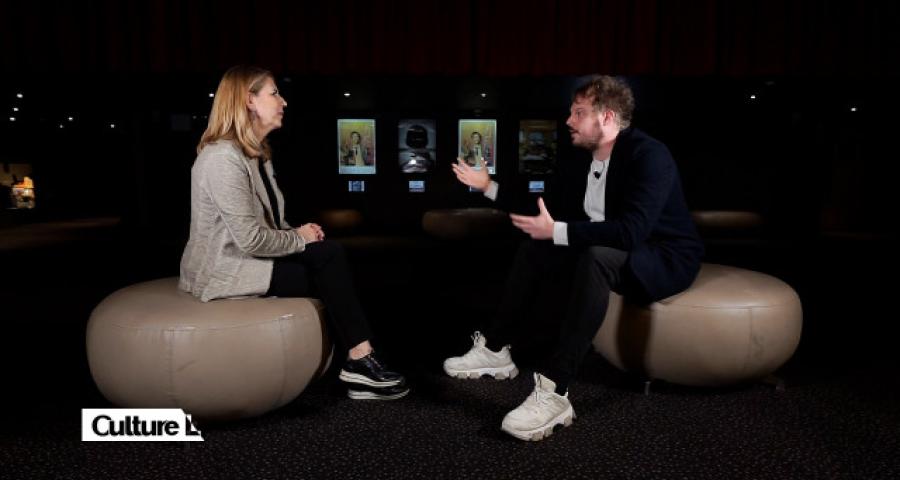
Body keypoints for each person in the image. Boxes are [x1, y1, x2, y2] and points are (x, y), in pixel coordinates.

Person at [446, 75, 704, 440]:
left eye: (579, 113)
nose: (569, 120)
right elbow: (545, 210)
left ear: (608, 118)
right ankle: (496, 350)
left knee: (595, 255)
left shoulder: (650, 155)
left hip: (663, 258)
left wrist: (560, 232)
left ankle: (556, 391)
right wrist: (489, 186)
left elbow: (632, 232)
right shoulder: (581, 158)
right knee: (537, 245)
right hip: (611, 249)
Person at [179, 65, 408, 401]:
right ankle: (360, 360)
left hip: (248, 257)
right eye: (274, 93)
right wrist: (299, 238)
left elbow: (271, 223)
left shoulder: (256, 155)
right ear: (249, 100)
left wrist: (300, 234)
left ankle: (360, 358)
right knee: (329, 260)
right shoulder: (221, 159)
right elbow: (251, 239)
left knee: (329, 256)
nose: (283, 101)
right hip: (223, 270)